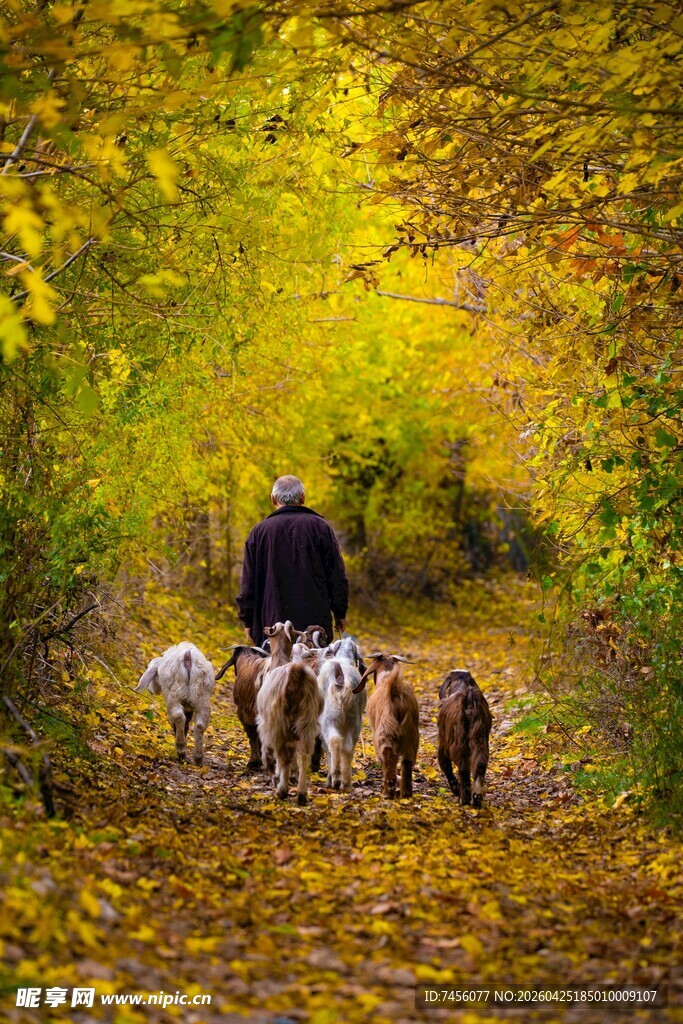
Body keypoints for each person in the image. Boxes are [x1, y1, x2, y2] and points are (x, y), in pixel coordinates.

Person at [236, 475, 349, 647]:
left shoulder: (259, 533)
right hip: (314, 630)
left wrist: (247, 620)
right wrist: (340, 612)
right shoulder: (321, 528)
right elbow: (337, 576)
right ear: (302, 498)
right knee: (313, 671)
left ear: (273, 499)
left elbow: (248, 584)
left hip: (271, 627)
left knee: (275, 673)